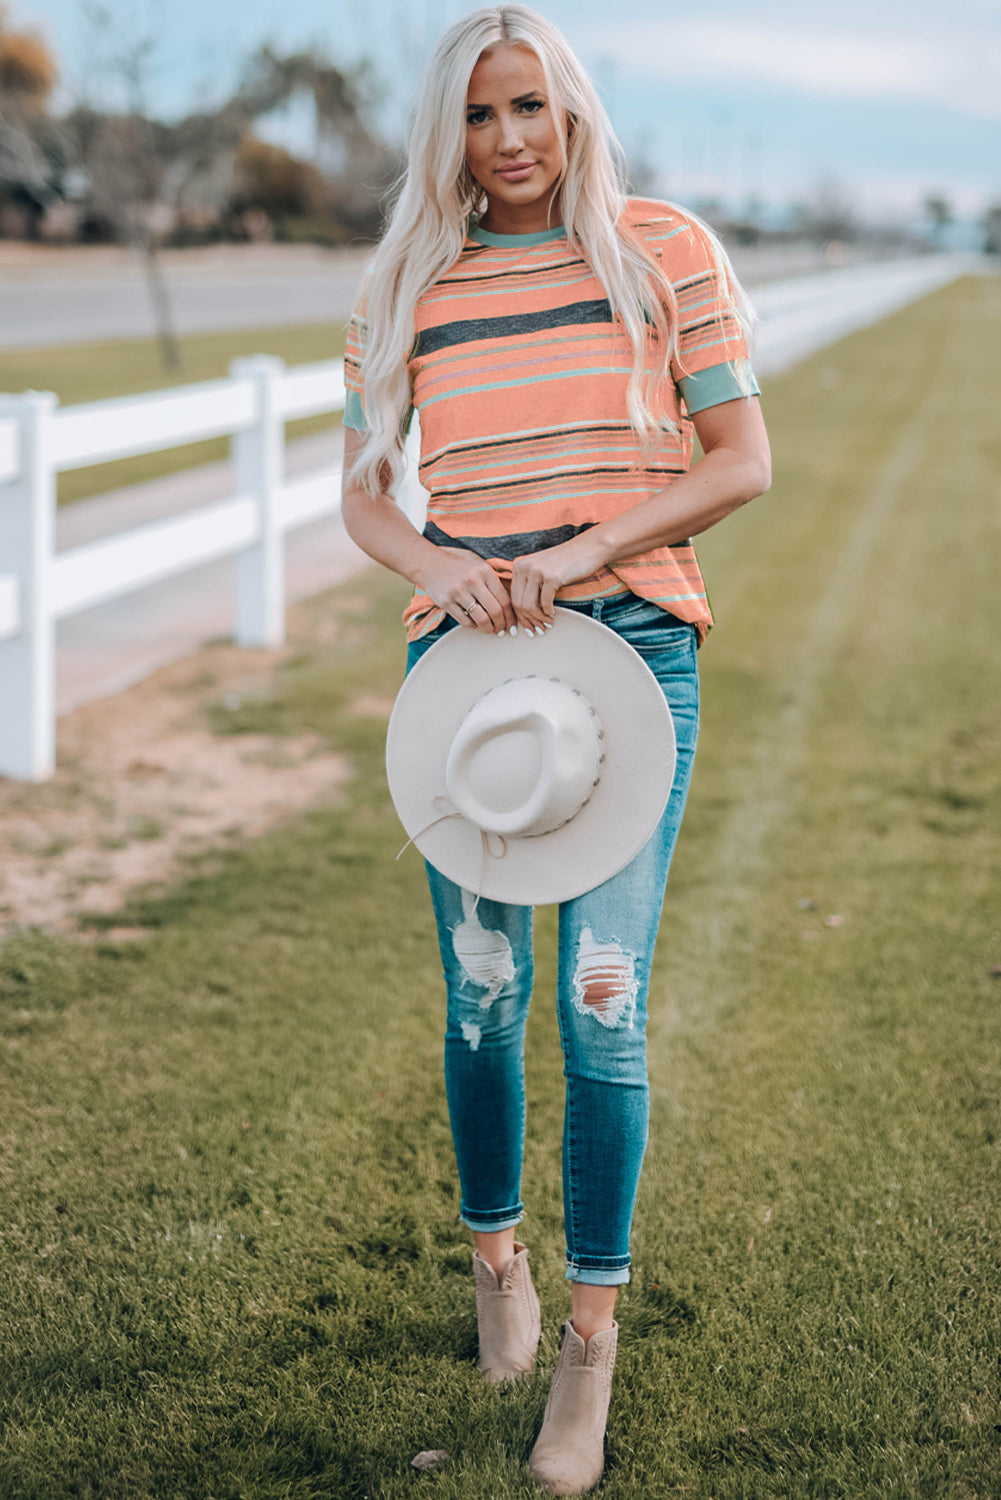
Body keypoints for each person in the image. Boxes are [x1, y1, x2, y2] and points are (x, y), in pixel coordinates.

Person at [341, 6, 770, 1493]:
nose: (510, 140)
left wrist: (582, 549)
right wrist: (439, 567)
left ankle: (587, 1345)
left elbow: (740, 462)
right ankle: (494, 1263)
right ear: (443, 135)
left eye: (530, 106)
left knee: (597, 1000)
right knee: (480, 993)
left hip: (629, 655)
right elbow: (367, 500)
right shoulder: (408, 281)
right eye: (478, 115)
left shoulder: (661, 250)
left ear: (570, 109)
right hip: (463, 679)